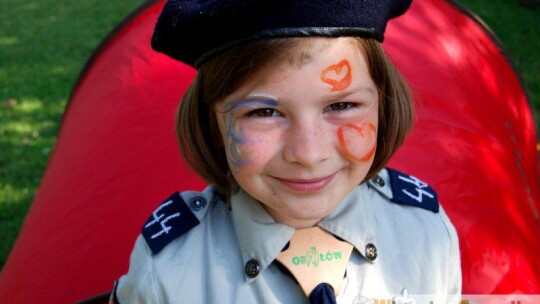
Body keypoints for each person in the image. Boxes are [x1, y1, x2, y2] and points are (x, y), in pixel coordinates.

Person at [112, 0, 461, 303]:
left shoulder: (426, 233)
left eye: (341, 105)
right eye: (263, 113)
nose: (308, 155)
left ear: (382, 105)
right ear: (213, 124)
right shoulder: (168, 273)